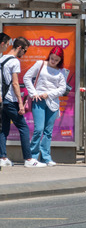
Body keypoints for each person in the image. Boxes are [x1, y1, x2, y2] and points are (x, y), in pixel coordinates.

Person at [0, 37, 45, 167]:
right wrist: (20, 103)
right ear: (19, 48)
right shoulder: (14, 62)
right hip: (11, 100)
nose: (24, 54)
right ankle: (29, 160)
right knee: (24, 128)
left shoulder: (1, 59)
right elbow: (15, 83)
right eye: (24, 51)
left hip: (2, 101)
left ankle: (2, 158)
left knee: (3, 129)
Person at [24, 46, 67, 166]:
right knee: (38, 129)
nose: (53, 61)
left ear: (60, 60)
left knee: (48, 131)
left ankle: (46, 157)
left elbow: (62, 89)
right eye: (52, 58)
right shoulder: (40, 64)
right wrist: (34, 94)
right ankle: (32, 157)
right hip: (38, 101)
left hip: (53, 103)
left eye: (56, 60)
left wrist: (47, 94)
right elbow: (27, 77)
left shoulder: (61, 71)